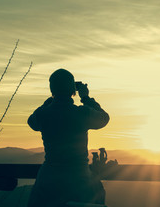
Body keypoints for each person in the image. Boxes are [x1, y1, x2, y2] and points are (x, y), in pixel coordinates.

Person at [27, 69, 110, 207]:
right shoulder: (81, 113)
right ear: (73, 89)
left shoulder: (44, 114)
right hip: (78, 178)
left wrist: (50, 100)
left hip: (48, 179)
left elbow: (32, 121)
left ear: (52, 89)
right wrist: (85, 98)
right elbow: (104, 118)